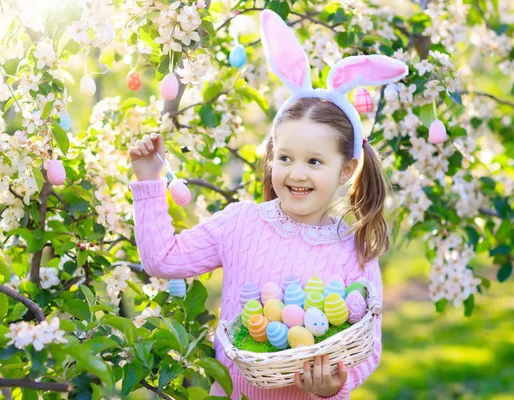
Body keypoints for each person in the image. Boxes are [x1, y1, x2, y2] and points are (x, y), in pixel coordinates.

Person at [127, 9, 408, 400]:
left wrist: (337, 381)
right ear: (272, 157)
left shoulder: (352, 247)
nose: (296, 174)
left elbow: (368, 345)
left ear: (346, 170)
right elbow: (163, 260)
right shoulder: (240, 223)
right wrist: (147, 181)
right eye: (286, 158)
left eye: (314, 162)